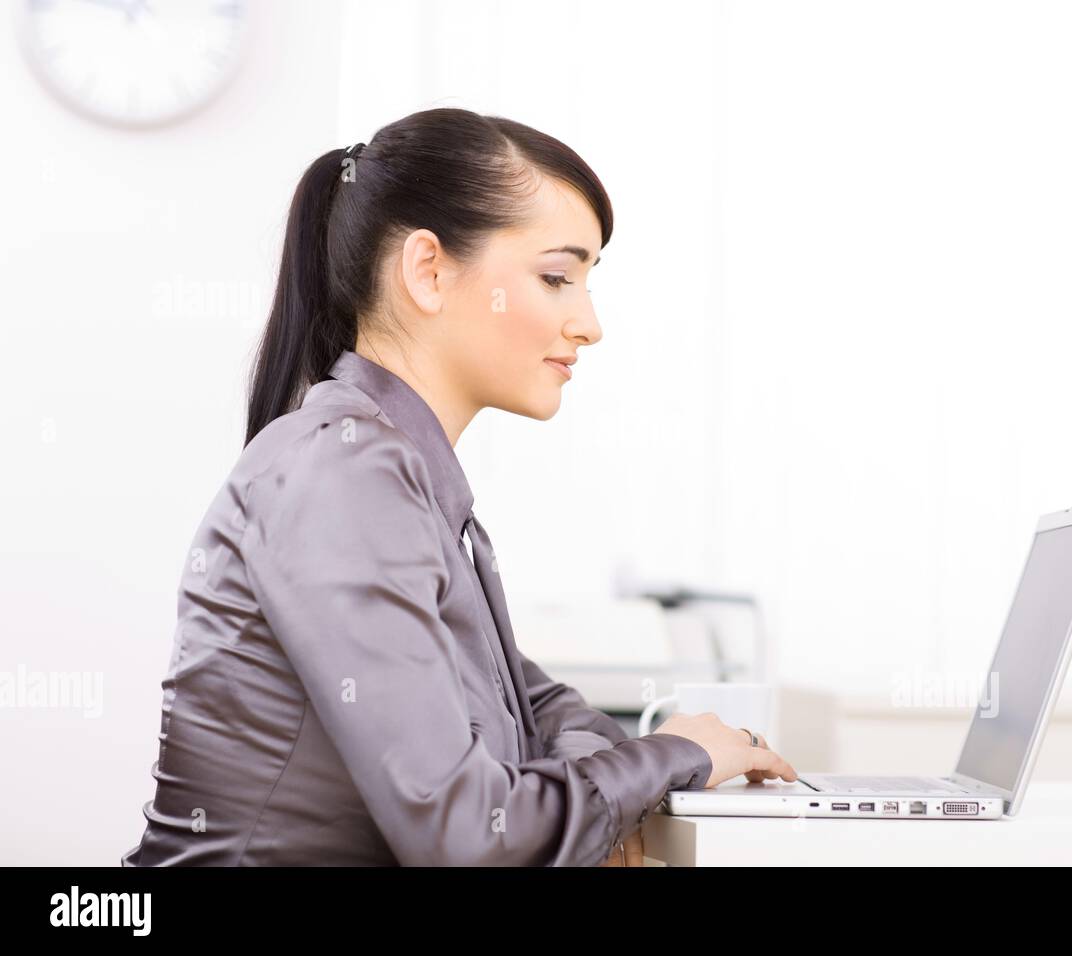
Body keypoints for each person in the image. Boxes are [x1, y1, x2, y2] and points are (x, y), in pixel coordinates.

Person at [121, 107, 797, 867]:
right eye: (556, 278)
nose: (589, 323)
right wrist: (671, 759)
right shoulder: (343, 475)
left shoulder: (401, 473)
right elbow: (471, 837)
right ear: (429, 272)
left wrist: (628, 784)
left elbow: (534, 710)